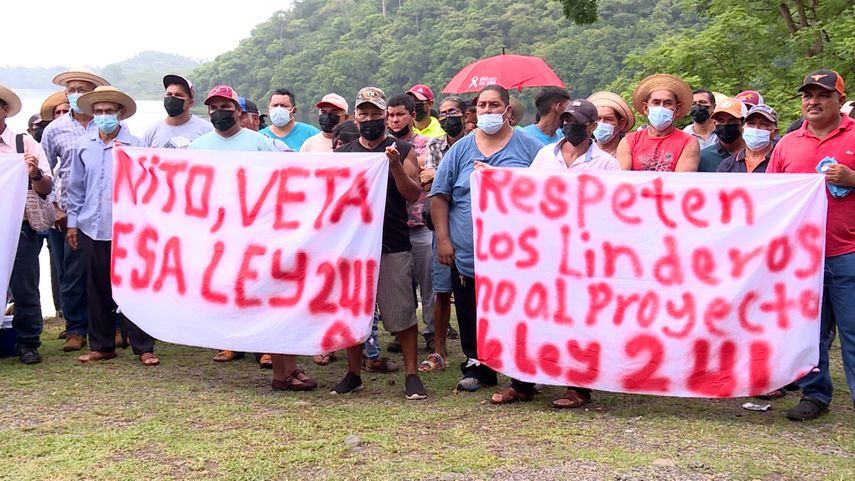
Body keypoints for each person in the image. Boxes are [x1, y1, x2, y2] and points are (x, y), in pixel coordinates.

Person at [189, 85, 316, 390]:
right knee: (244, 300)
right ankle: (280, 368)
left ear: (239, 111)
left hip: (259, 235)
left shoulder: (260, 143)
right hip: (220, 239)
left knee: (276, 297)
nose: (220, 111)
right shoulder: (197, 147)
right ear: (208, 111)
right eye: (214, 106)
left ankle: (286, 367)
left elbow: (285, 179)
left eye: (226, 106)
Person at [430, 85, 542, 394]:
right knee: (470, 310)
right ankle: (478, 365)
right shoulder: (461, 150)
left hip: (517, 252)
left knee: (516, 311)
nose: (488, 111)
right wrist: (443, 239)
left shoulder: (529, 148)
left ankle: (521, 370)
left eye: (495, 105)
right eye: (482, 106)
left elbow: (545, 193)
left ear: (508, 111)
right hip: (468, 251)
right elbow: (439, 196)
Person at [766, 69, 855, 421]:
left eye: (822, 95)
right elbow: (768, 197)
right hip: (802, 258)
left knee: (853, 333)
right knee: (809, 333)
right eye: (807, 95)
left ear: (838, 100)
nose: (813, 101)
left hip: (848, 252)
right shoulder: (788, 144)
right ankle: (815, 396)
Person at [331, 87, 427, 400]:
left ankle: (411, 374)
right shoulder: (344, 154)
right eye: (364, 114)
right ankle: (353, 372)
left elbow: (412, 194)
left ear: (385, 116)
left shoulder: (402, 148)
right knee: (353, 309)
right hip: (353, 245)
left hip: (392, 240)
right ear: (355, 118)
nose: (370, 119)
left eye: (376, 114)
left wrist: (396, 164)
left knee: (400, 310)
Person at [523, 99, 619, 407]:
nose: (569, 126)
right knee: (535, 312)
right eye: (566, 121)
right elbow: (524, 192)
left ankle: (578, 386)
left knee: (579, 317)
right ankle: (523, 382)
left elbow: (614, 209)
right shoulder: (543, 155)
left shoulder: (606, 164)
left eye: (576, 122)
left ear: (592, 126)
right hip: (545, 248)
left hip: (584, 252)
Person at [67, 86, 158, 365]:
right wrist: (72, 224)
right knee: (96, 288)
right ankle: (103, 344)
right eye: (98, 112)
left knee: (134, 287)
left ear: (120, 114)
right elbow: (76, 188)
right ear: (92, 114)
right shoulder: (84, 145)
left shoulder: (136, 145)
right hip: (92, 226)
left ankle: (144, 347)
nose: (104, 116)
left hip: (128, 228)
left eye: (109, 111)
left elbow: (149, 185)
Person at [40, 69, 111, 353]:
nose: (75, 94)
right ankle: (75, 329)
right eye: (71, 89)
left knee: (105, 272)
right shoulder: (54, 129)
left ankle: (112, 327)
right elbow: (44, 173)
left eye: (82, 89)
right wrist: (54, 209)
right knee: (72, 273)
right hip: (68, 211)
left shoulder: (107, 125)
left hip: (105, 213)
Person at [2, 85, 54, 365]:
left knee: (25, 287)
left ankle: (28, 342)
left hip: (20, 227)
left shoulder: (25, 143)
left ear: (5, 110)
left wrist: (34, 173)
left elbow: (47, 188)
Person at [384, 93, 435, 353]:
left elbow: (433, 178)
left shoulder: (428, 144)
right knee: (401, 286)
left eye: (400, 114)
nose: (394, 120)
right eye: (390, 115)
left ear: (413, 116)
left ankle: (433, 332)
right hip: (394, 228)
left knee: (429, 283)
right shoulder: (382, 146)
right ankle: (401, 332)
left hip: (422, 225)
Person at [616, 73, 699, 172]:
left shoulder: (688, 142)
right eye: (656, 103)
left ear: (676, 110)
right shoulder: (629, 142)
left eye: (668, 103)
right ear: (646, 108)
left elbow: (680, 183)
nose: (661, 107)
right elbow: (622, 179)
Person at [143, 75, 212, 149]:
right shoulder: (152, 132)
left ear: (190, 103)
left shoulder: (206, 130)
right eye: (169, 94)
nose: (172, 98)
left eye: (178, 95)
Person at [717, 104, 779, 173]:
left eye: (763, 124)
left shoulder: (780, 162)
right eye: (751, 123)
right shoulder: (727, 165)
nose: (756, 128)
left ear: (775, 132)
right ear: (743, 129)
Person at [698, 98, 747, 172]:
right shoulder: (703, 157)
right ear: (714, 123)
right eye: (720, 120)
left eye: (732, 120)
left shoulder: (754, 155)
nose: (725, 124)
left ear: (743, 123)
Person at [588, 91, 635, 157]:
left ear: (621, 124)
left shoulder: (630, 153)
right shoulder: (583, 151)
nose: (601, 123)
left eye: (608, 119)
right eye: (598, 119)